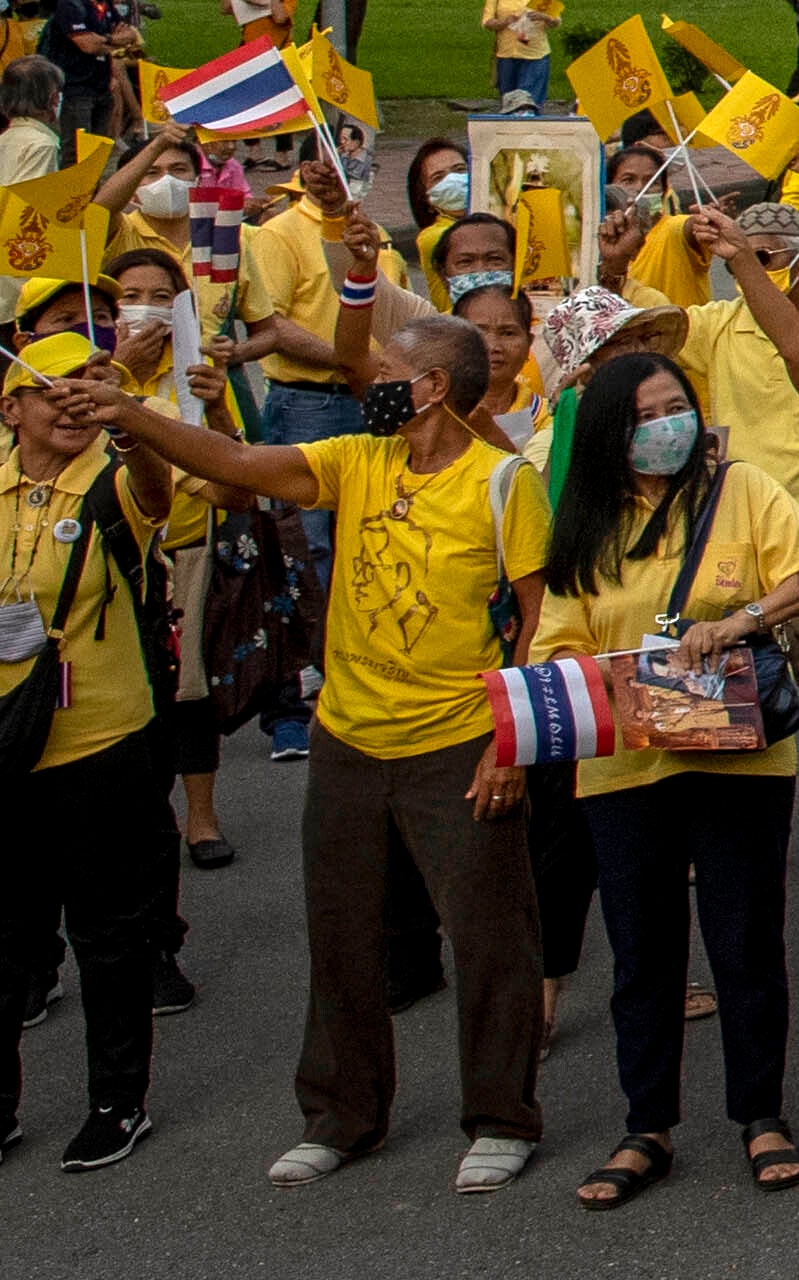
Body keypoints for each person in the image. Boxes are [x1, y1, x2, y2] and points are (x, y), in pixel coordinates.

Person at [77, 306, 552, 1193]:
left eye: (386, 369)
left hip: (457, 740)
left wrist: (510, 747)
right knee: (341, 934)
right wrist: (134, 413)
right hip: (346, 738)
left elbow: (536, 618)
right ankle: (342, 1117)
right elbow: (240, 466)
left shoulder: (503, 482)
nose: (367, 381)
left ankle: (500, 1117)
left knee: (488, 938)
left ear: (433, 387)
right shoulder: (357, 458)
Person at [526, 348, 799, 1209]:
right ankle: (645, 1125)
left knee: (746, 942)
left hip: (739, 757)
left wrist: (738, 622)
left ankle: (761, 1115)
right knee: (643, 954)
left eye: (674, 408)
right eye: (645, 416)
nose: (665, 428)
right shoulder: (587, 524)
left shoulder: (744, 490)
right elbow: (555, 646)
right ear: (614, 433)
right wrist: (608, 670)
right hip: (624, 769)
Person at [3, 333, 176, 1169]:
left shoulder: (113, 478)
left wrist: (133, 423)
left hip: (99, 739)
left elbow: (158, 490)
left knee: (107, 932)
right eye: (51, 389)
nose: (71, 401)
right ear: (12, 408)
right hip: (5, 747)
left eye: (84, 385)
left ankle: (118, 1101)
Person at [477, 0, 562, 116]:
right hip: (507, 53)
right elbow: (487, 22)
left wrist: (543, 16)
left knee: (529, 104)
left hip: (534, 54)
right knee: (509, 103)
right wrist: (506, 21)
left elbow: (556, 22)